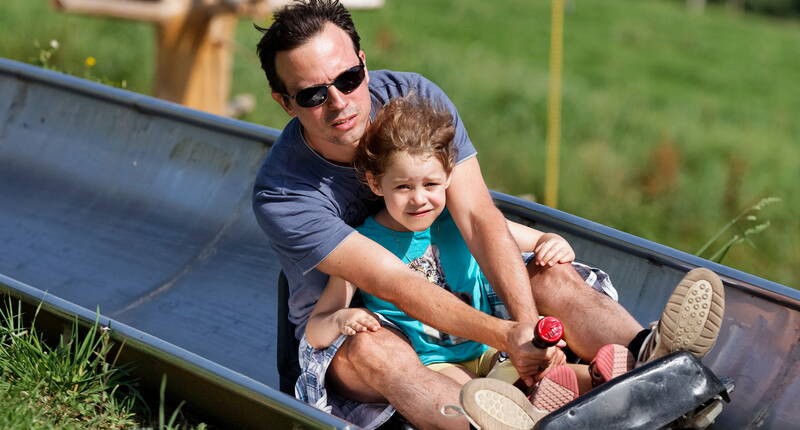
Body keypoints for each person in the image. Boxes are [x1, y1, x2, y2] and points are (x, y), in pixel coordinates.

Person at [251, 1, 725, 429]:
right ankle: (491, 420)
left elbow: (479, 218)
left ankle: (654, 360)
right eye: (313, 95)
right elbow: (397, 283)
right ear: (285, 103)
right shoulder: (283, 193)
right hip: (362, 327)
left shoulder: (415, 104)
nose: (339, 103)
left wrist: (532, 338)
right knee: (374, 348)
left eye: (348, 79)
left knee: (546, 273)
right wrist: (507, 334)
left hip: (464, 297)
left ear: (364, 65)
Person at [303, 94, 638, 424]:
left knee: (548, 371)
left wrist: (553, 242)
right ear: (377, 184)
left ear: (449, 176)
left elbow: (529, 240)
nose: (419, 199)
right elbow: (316, 329)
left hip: (490, 351)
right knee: (475, 397)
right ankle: (533, 412)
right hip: (437, 365)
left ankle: (604, 379)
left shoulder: (456, 220)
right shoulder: (363, 244)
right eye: (403, 187)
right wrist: (340, 319)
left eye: (430, 184)